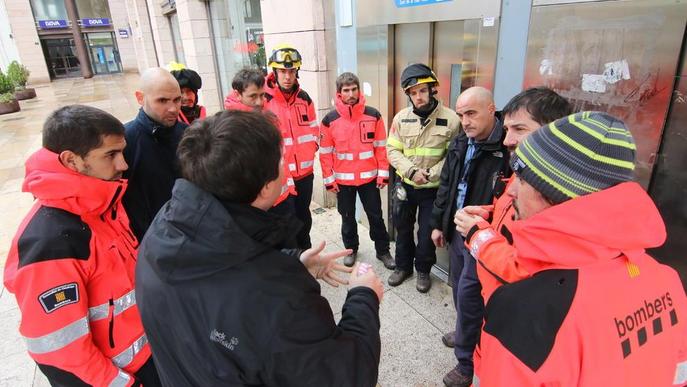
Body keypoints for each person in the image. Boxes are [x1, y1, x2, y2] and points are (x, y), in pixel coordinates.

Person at [135, 110, 384, 386]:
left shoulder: (162, 230)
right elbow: (348, 376)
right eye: (281, 158)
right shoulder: (280, 299)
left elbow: (219, 279)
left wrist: (292, 262)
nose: (286, 164)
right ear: (266, 188)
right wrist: (363, 296)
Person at [469, 111, 687, 386]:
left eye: (522, 180)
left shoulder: (527, 312)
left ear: (555, 194)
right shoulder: (665, 280)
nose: (511, 191)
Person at [3, 105, 160, 386]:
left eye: (122, 152)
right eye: (110, 155)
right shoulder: (49, 243)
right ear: (71, 160)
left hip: (148, 360)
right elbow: (62, 354)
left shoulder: (102, 205)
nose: (123, 165)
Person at [454, 87, 573, 304]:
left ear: (553, 131)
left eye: (518, 129)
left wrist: (477, 233)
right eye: (507, 129)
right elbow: (510, 206)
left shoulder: (559, 191)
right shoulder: (524, 170)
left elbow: (527, 270)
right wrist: (488, 214)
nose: (508, 140)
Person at [427, 86, 510, 387]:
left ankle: (466, 363)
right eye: (461, 115)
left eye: (471, 113)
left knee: (472, 296)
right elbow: (447, 186)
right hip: (459, 232)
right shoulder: (462, 141)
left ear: (491, 109)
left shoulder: (507, 148)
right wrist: (439, 224)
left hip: (485, 240)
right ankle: (464, 331)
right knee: (460, 290)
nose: (465, 121)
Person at [386, 63, 460, 293]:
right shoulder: (401, 118)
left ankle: (423, 271)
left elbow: (452, 157)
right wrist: (410, 171)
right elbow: (392, 150)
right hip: (406, 185)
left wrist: (428, 174)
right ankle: (402, 266)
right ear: (408, 95)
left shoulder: (451, 120)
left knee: (427, 232)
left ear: (432, 90)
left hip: (433, 189)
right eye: (413, 93)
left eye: (422, 91)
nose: (418, 97)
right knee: (403, 228)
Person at [319, 72, 394, 269]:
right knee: (347, 217)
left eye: (354, 89)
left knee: (376, 216)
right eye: (346, 90)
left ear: (359, 90)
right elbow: (325, 153)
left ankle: (383, 251)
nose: (351, 93)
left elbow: (380, 147)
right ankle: (351, 250)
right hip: (342, 182)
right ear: (339, 93)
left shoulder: (373, 115)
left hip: (369, 179)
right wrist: (329, 179)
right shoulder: (329, 120)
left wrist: (383, 174)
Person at [264, 44, 318, 249]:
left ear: (297, 72)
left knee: (304, 217)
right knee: (284, 221)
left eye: (291, 71)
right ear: (274, 72)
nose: (287, 76)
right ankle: (290, 260)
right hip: (280, 176)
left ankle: (306, 254)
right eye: (282, 71)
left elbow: (314, 127)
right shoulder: (265, 100)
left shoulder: (305, 99)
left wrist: (313, 146)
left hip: (304, 174)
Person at [122, 67, 187, 240]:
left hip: (191, 236)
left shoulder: (191, 135)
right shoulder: (123, 143)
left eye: (177, 99)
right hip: (149, 242)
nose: (173, 108)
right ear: (140, 98)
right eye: (163, 100)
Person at [225, 67, 296, 215]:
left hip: (282, 198)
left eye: (262, 95)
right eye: (253, 96)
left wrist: (289, 188)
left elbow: (281, 158)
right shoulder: (231, 125)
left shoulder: (269, 118)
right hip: (259, 206)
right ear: (238, 94)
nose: (259, 102)